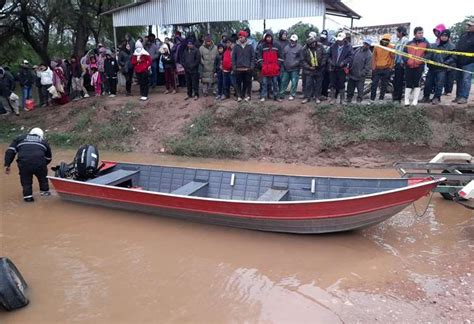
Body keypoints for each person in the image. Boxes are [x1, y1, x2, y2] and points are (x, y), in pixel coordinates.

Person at [4, 127, 52, 202]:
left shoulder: (19, 138)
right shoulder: (43, 141)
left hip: (24, 164)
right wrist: (42, 165)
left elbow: (10, 151)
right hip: (40, 163)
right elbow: (49, 158)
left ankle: (28, 198)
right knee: (43, 180)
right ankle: (45, 195)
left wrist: (8, 164)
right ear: (41, 135)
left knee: (26, 182)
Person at [420, 29, 455, 104]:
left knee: (439, 84)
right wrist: (427, 60)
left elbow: (453, 57)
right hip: (432, 68)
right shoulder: (434, 45)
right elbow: (429, 54)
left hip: (442, 69)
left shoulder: (451, 47)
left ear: (448, 37)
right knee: (428, 83)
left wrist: (445, 63)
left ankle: (437, 98)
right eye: (442, 35)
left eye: (445, 36)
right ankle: (426, 97)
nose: (443, 37)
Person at [403, 27, 430, 106]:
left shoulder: (426, 43)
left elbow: (429, 53)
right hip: (409, 66)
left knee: (417, 83)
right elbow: (404, 53)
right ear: (415, 34)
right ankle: (406, 100)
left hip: (419, 66)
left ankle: (415, 100)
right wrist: (407, 61)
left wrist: (422, 60)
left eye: (422, 33)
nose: (421, 34)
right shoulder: (409, 43)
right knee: (408, 83)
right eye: (419, 33)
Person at [328, 32, 353, 104]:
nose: (339, 41)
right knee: (332, 83)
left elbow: (351, 57)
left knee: (341, 84)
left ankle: (342, 99)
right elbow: (328, 56)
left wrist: (344, 62)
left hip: (342, 68)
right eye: (338, 40)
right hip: (333, 68)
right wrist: (331, 61)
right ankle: (333, 98)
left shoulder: (349, 47)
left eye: (341, 40)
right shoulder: (333, 46)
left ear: (344, 39)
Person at [257, 31, 282, 102]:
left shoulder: (277, 45)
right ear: (265, 37)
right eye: (267, 37)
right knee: (264, 83)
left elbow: (281, 56)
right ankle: (263, 96)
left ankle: (276, 97)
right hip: (265, 68)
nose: (268, 38)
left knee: (275, 83)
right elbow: (259, 56)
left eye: (269, 37)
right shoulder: (262, 45)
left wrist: (278, 65)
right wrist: (262, 65)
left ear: (272, 37)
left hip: (274, 68)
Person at [454, 19, 474, 104]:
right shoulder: (463, 35)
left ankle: (464, 97)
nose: (468, 27)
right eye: (468, 25)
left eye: (470, 25)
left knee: (466, 80)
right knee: (459, 79)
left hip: (469, 62)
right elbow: (458, 46)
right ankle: (458, 96)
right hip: (459, 61)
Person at [370, 34, 394, 103]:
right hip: (377, 68)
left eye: (387, 40)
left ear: (389, 41)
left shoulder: (391, 47)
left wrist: (390, 68)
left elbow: (393, 58)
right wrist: (373, 68)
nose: (385, 41)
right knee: (374, 84)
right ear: (382, 39)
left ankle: (381, 98)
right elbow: (374, 58)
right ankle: (372, 99)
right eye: (384, 40)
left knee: (384, 85)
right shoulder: (377, 47)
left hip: (386, 69)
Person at [346, 38, 372, 104]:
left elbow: (368, 66)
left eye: (367, 44)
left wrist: (362, 73)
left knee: (360, 89)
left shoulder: (369, 54)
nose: (365, 45)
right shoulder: (357, 50)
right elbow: (352, 58)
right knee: (350, 87)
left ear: (369, 45)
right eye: (365, 44)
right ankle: (349, 99)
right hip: (352, 73)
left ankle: (359, 101)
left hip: (360, 76)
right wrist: (349, 68)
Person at [232, 30, 255, 102]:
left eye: (242, 37)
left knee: (247, 83)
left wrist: (251, 66)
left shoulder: (250, 46)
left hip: (248, 68)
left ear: (245, 37)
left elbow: (253, 57)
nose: (240, 38)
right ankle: (239, 96)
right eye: (239, 37)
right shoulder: (236, 46)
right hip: (238, 68)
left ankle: (248, 96)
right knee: (238, 83)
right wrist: (234, 66)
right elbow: (233, 57)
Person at [301, 37, 326, 104]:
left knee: (318, 84)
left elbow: (324, 55)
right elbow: (303, 60)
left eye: (314, 42)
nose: (313, 44)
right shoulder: (304, 49)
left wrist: (322, 64)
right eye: (311, 43)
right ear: (308, 44)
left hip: (319, 68)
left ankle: (317, 97)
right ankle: (307, 97)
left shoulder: (320, 46)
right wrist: (309, 67)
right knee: (308, 84)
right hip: (309, 69)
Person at [279, 34, 302, 101]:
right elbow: (283, 57)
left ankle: (292, 95)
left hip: (295, 69)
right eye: (291, 40)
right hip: (286, 68)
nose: (292, 42)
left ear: (296, 41)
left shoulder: (300, 48)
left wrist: (296, 64)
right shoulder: (286, 47)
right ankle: (281, 94)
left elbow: (301, 58)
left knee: (294, 82)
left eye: (294, 41)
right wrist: (284, 65)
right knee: (283, 81)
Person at [393, 26, 409, 103]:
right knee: (396, 81)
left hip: (401, 64)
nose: (396, 33)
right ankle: (395, 97)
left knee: (399, 81)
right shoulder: (398, 41)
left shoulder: (405, 40)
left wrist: (403, 62)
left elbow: (404, 52)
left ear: (401, 32)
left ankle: (398, 98)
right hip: (397, 63)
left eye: (397, 32)